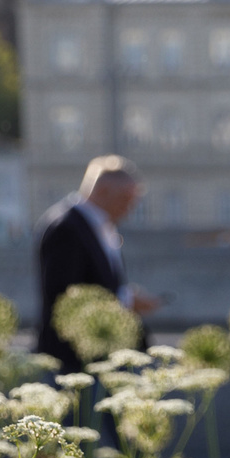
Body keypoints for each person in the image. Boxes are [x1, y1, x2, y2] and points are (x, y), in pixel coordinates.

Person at [36, 154, 161, 371]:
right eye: (126, 200)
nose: (130, 210)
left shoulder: (98, 226)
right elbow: (65, 295)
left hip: (99, 355)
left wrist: (126, 296)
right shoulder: (65, 228)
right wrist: (126, 301)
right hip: (74, 359)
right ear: (102, 192)